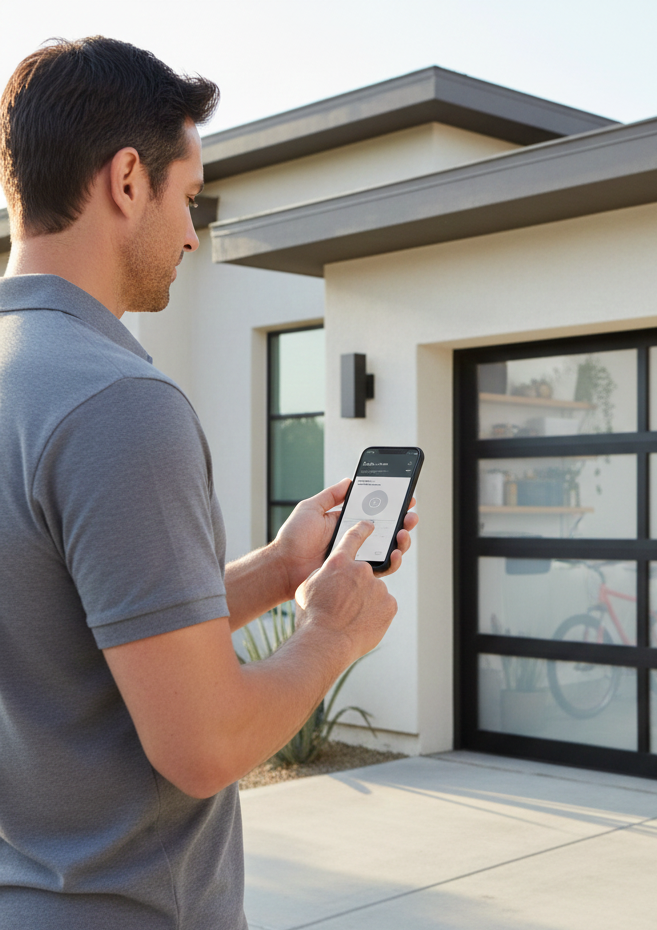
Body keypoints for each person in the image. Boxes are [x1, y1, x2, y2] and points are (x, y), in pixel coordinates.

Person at [0, 37, 415, 929]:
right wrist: (331, 633)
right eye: (188, 197)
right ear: (124, 180)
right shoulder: (117, 402)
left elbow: (73, 637)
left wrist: (275, 569)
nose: (193, 232)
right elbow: (204, 745)